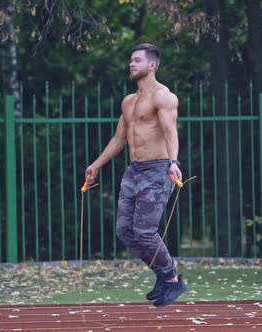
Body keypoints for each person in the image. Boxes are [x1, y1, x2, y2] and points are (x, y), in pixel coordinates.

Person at [84, 43, 186, 307]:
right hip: (134, 172)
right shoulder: (129, 102)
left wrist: (174, 162)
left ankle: (172, 279)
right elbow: (119, 139)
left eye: (137, 60)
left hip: (158, 170)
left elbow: (170, 132)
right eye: (131, 60)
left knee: (144, 231)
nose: (131, 64)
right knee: (125, 232)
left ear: (151, 65)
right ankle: (165, 277)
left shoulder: (163, 97)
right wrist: (96, 165)